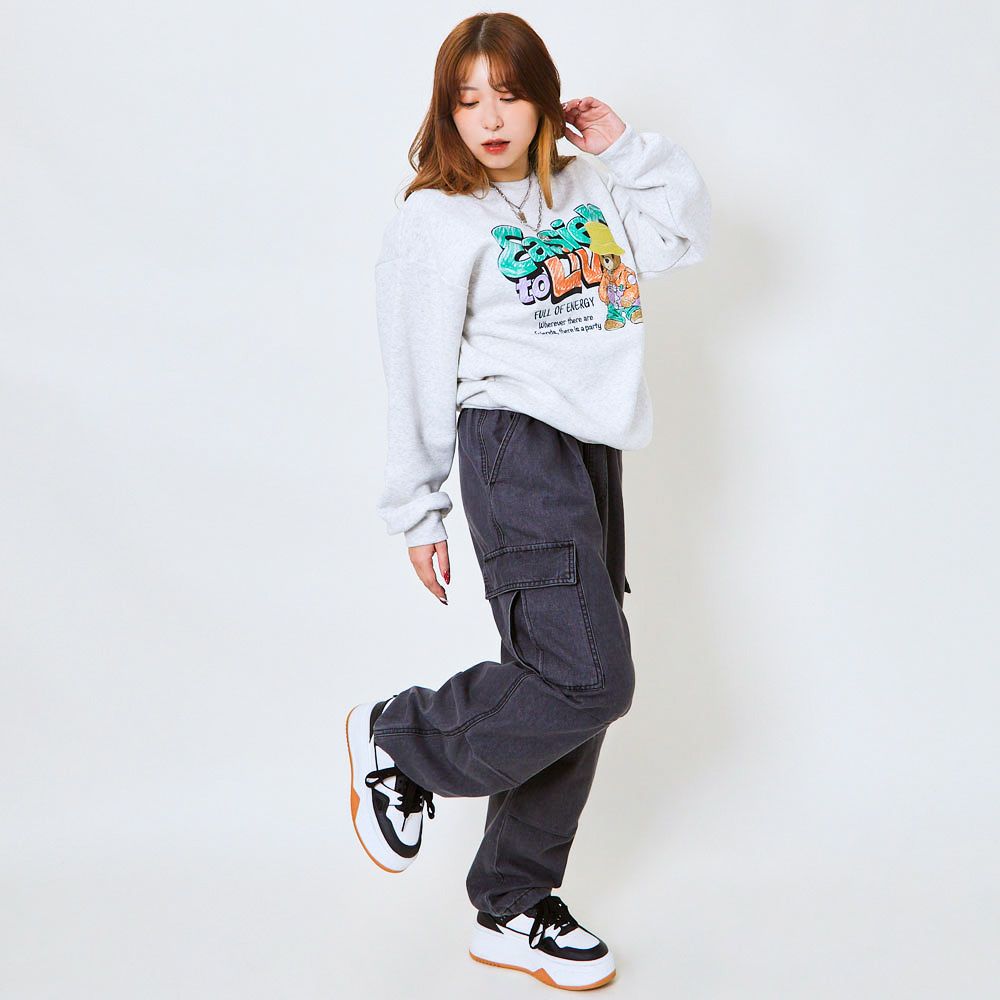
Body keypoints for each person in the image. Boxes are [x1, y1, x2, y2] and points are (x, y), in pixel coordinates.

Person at [345, 11, 711, 990]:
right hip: (512, 444)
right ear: (446, 112)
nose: (491, 119)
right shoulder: (435, 221)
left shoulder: (589, 185)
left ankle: (511, 902)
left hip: (592, 453)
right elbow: (414, 370)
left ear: (544, 98)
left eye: (509, 95)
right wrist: (416, 508)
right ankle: (401, 738)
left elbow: (683, 237)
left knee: (565, 679)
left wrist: (625, 150)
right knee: (591, 676)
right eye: (468, 101)